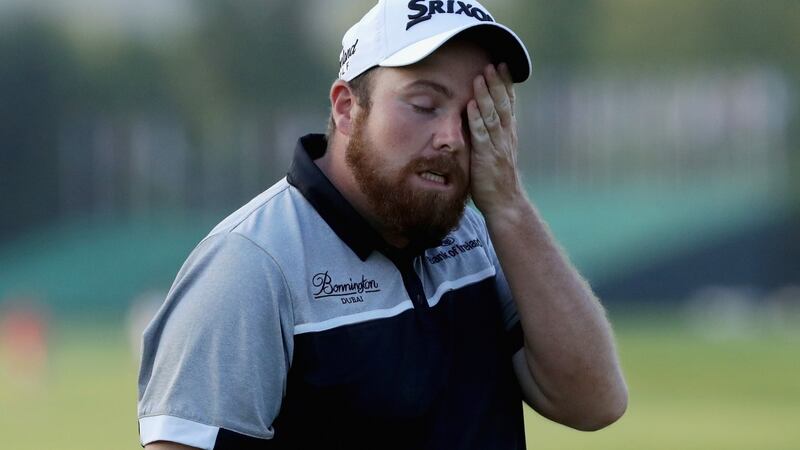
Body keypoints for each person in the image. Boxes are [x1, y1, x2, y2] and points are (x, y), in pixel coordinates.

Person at [137, 1, 628, 449]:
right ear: (348, 108)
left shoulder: (476, 236)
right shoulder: (252, 265)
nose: (452, 138)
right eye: (424, 105)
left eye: (475, 113)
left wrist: (509, 206)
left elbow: (595, 401)